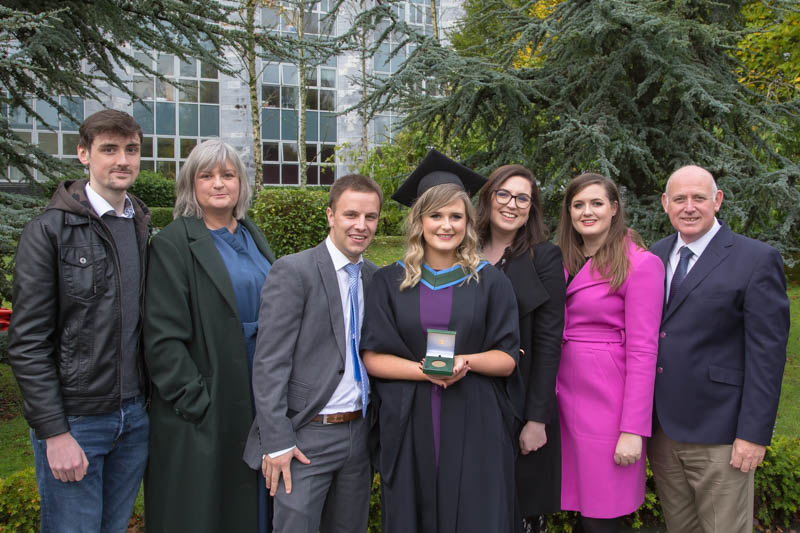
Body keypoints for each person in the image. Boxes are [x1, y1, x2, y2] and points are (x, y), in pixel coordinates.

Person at [360, 149, 521, 533]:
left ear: (468, 223)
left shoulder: (490, 281)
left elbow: (507, 358)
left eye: (456, 216)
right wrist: (426, 373)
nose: (446, 225)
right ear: (419, 220)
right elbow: (373, 357)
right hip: (410, 420)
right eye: (436, 215)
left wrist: (464, 361)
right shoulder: (389, 281)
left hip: (476, 419)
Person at [8, 109, 150, 532]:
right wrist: (54, 432)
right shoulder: (49, 231)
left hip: (135, 418)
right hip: (77, 421)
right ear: (84, 155)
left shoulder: (142, 225)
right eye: (109, 149)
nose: (122, 160)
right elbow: (28, 342)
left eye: (131, 150)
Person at [143, 139, 276, 533]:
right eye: (207, 175)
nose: (219, 184)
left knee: (254, 503)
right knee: (208, 508)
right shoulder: (173, 243)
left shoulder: (253, 235)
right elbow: (162, 336)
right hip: (208, 398)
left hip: (257, 389)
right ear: (191, 183)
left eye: (228, 175)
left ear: (241, 184)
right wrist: (195, 398)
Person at [648, 165, 790, 533]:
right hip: (663, 432)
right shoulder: (654, 256)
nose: (689, 207)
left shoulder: (755, 259)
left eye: (699, 197)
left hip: (722, 435)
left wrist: (753, 434)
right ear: (666, 204)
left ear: (718, 201)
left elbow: (767, 356)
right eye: (680, 198)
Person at [243, 174, 383, 533]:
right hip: (305, 436)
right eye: (351, 215)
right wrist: (277, 441)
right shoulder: (294, 271)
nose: (361, 226)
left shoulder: (375, 277)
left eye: (370, 217)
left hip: (358, 432)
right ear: (330, 215)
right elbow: (270, 363)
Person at [555, 173, 664, 532]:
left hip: (606, 407)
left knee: (600, 517)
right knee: (571, 507)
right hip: (560, 399)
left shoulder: (641, 264)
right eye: (578, 204)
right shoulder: (559, 260)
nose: (587, 212)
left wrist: (633, 428)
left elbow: (645, 351)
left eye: (597, 203)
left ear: (614, 209)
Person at [476, 164, 565, 532]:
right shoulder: (462, 249)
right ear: (488, 197)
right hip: (468, 396)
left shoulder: (543, 258)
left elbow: (548, 341)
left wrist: (536, 419)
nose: (512, 204)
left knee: (518, 510)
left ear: (532, 207)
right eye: (504, 194)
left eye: (522, 198)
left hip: (520, 400)